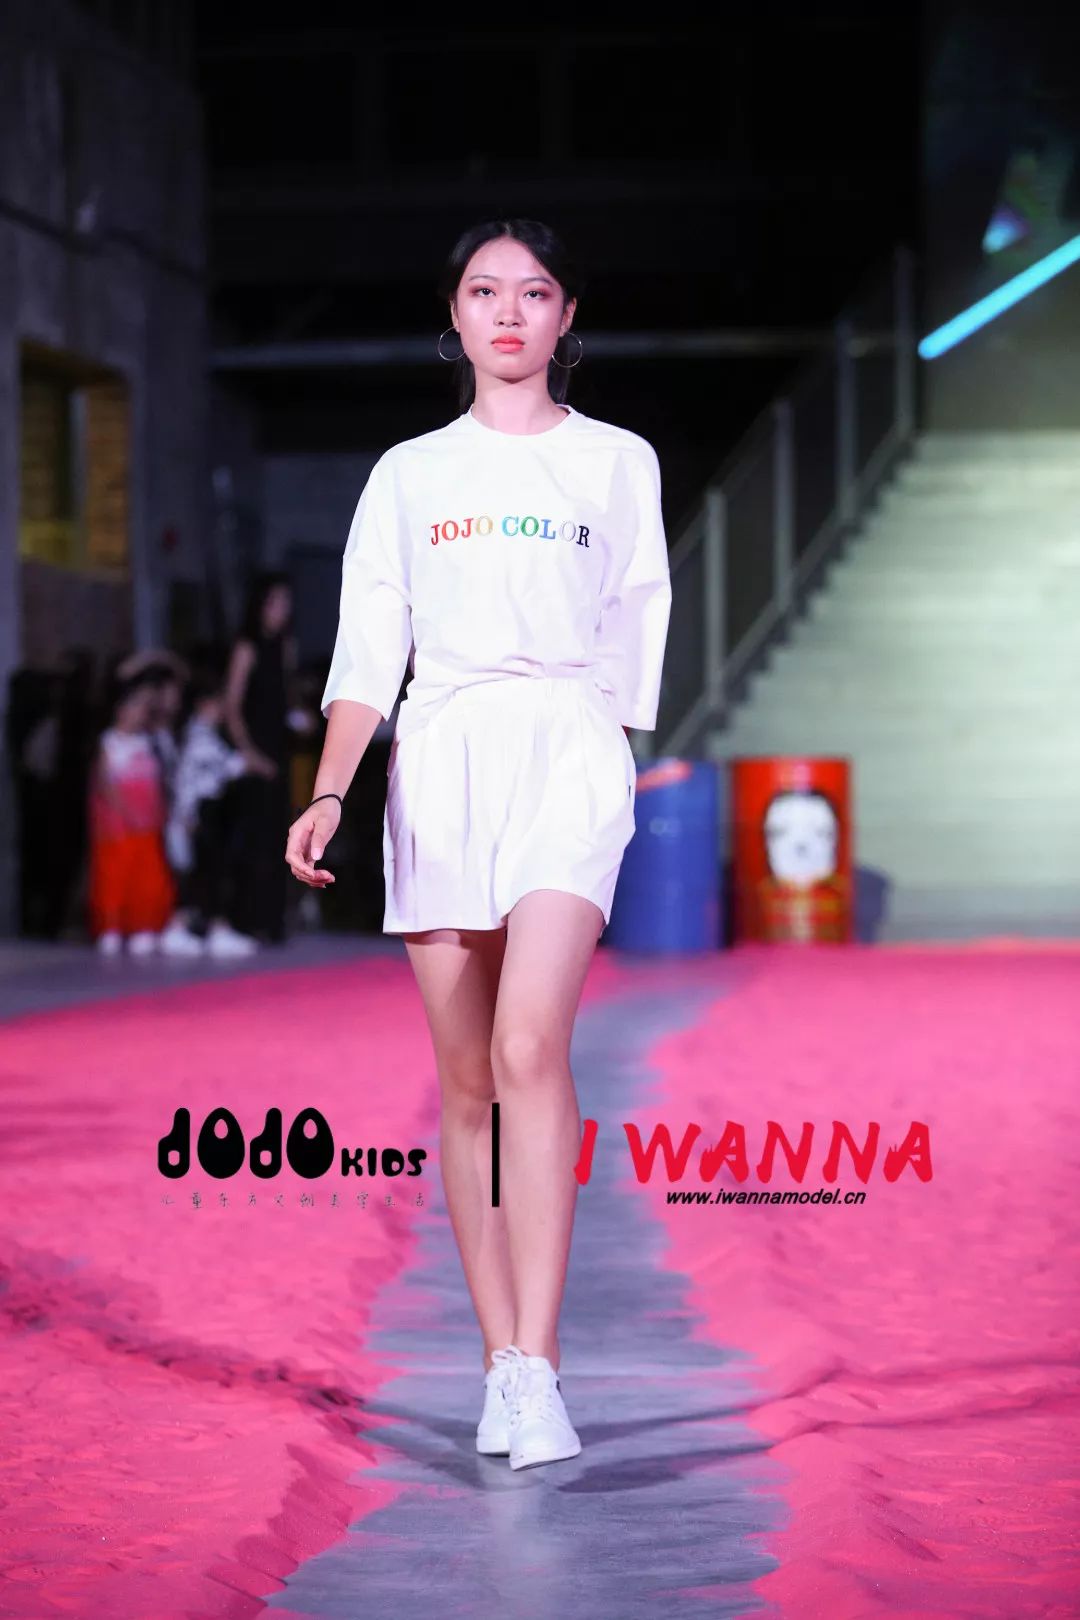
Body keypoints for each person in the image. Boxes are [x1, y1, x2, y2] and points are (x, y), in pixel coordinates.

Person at [284, 219, 672, 1471]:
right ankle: (500, 1359)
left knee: (527, 1046)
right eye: (485, 291)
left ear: (568, 316)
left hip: (567, 746)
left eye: (536, 292)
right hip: (442, 756)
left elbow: (636, 620)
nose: (510, 312)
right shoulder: (410, 475)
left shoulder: (617, 462)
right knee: (465, 1084)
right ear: (453, 316)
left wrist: (610, 749)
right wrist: (331, 792)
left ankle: (540, 1366)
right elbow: (368, 654)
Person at [160, 661, 258, 957]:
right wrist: (250, 762)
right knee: (203, 874)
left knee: (205, 873)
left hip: (202, 813)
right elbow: (218, 767)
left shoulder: (200, 733)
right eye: (219, 703)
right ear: (204, 704)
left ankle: (209, 927)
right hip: (197, 815)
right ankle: (193, 927)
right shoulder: (198, 735)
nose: (223, 710)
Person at [222, 573, 297, 945]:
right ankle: (247, 920)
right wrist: (249, 753)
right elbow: (232, 706)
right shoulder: (246, 647)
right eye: (275, 603)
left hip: (279, 748)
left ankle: (274, 919)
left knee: (280, 836)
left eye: (286, 603)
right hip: (253, 753)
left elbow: (286, 695)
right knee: (254, 839)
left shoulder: (285, 646)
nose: (282, 611)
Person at [86, 673, 176, 955]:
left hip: (147, 823)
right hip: (118, 824)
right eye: (135, 706)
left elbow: (156, 784)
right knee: (114, 874)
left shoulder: (147, 741)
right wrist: (126, 812)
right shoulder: (109, 741)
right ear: (120, 709)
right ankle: (111, 927)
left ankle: (143, 925)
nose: (140, 713)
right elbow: (104, 783)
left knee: (148, 875)